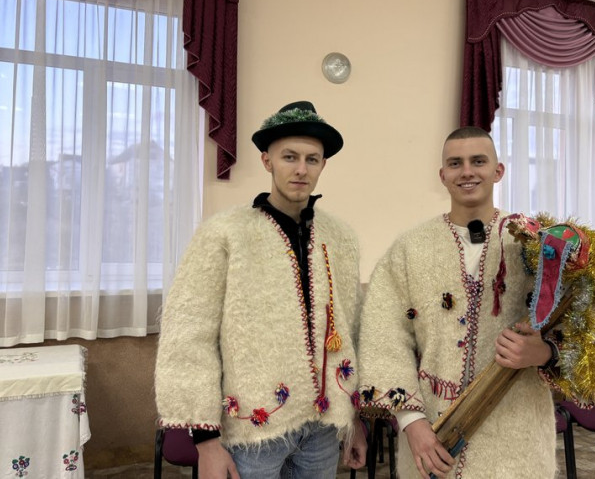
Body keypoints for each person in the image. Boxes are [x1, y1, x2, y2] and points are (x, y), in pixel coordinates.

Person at [155, 101, 367, 479]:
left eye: (312, 159)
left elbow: (350, 330)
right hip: (251, 433)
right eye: (289, 157)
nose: (301, 169)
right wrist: (206, 439)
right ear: (267, 161)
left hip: (322, 428)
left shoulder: (341, 237)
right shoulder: (225, 233)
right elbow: (188, 335)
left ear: (323, 165)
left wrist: (354, 420)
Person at [357, 126, 560, 478]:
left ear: (498, 171)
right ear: (443, 175)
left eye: (478, 161)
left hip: (518, 438)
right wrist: (411, 421)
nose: (467, 171)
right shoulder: (410, 249)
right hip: (432, 439)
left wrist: (545, 352)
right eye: (455, 163)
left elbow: (579, 332)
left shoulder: (535, 246)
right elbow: (383, 336)